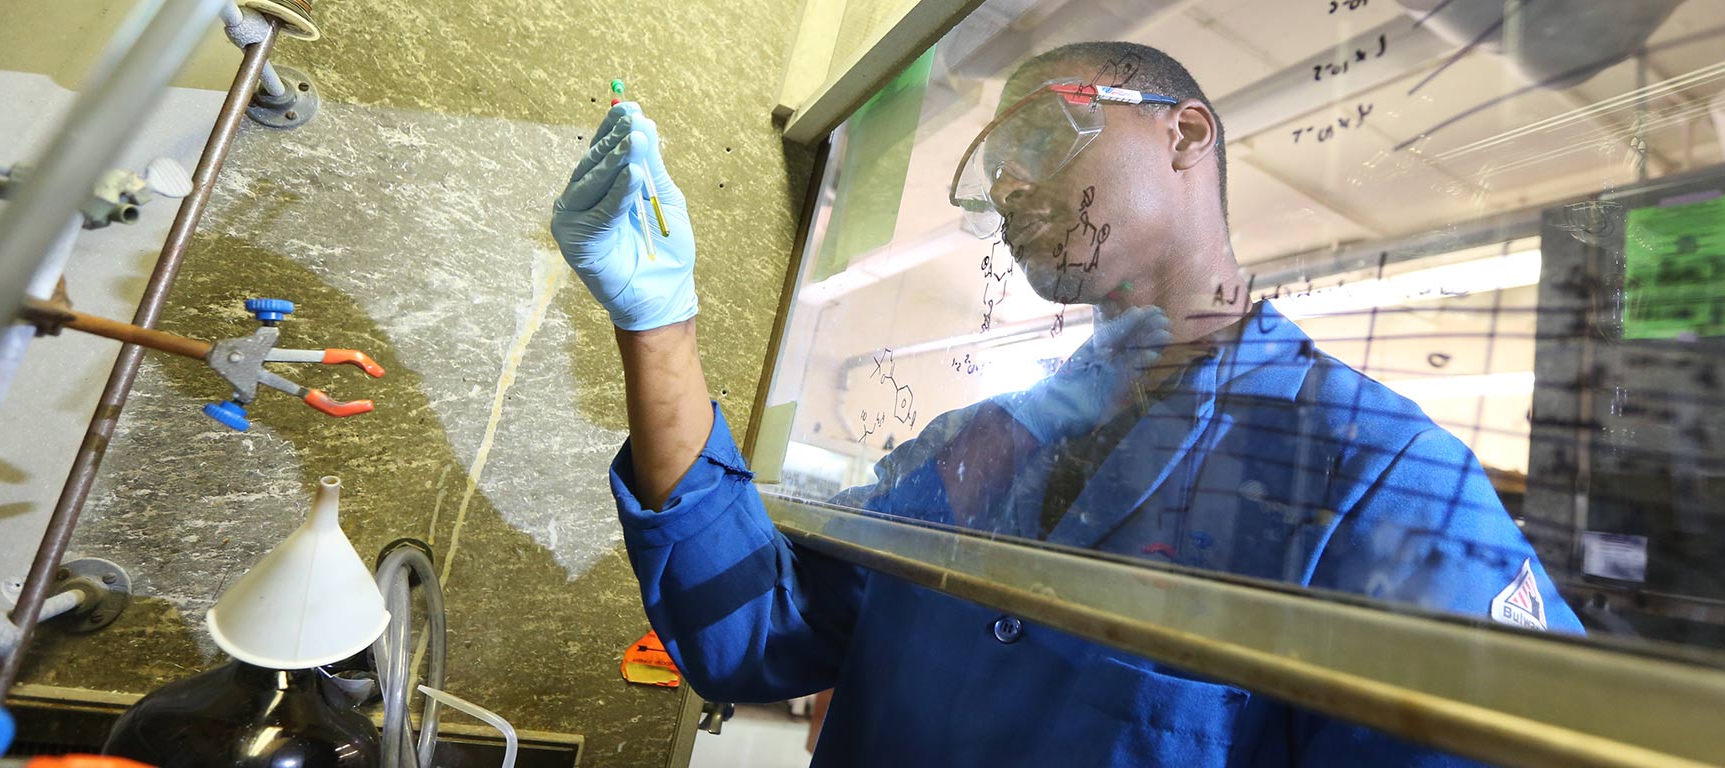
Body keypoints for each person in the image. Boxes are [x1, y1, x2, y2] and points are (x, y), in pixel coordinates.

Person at [551, 41, 1581, 767]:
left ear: (1185, 136)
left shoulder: (1380, 482)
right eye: (993, 176)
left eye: (1043, 140)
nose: (1009, 190)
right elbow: (753, 634)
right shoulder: (979, 446)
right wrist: (661, 327)